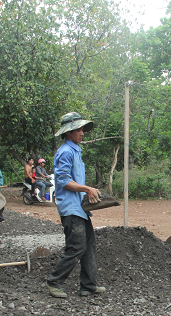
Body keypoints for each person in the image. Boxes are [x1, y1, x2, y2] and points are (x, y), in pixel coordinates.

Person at [46, 112, 104, 298]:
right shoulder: (66, 152)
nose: (82, 133)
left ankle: (88, 286)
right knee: (77, 246)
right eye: (78, 129)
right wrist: (87, 189)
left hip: (79, 208)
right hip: (71, 208)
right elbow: (63, 180)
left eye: (82, 129)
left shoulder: (75, 151)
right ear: (68, 133)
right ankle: (54, 281)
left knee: (89, 245)